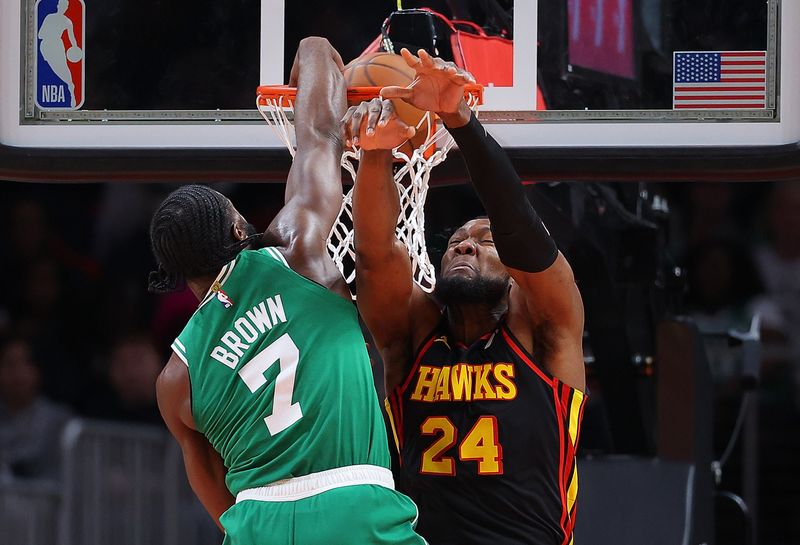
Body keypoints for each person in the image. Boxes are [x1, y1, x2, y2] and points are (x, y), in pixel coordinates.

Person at [149, 38, 424, 545]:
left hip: (257, 519)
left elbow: (217, 496)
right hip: (352, 499)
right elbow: (320, 134)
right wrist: (314, 52)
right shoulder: (295, 249)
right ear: (239, 232)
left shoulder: (175, 380)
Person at [345, 48, 587, 545]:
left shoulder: (544, 329)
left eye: (484, 240)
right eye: (455, 241)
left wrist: (458, 117)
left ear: (516, 274)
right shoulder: (414, 332)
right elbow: (374, 256)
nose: (466, 244)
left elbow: (517, 219)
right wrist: (374, 153)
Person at [38, 0, 80, 107]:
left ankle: (71, 88)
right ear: (58, 6)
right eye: (62, 5)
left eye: (65, 6)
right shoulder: (50, 17)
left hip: (56, 45)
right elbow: (39, 35)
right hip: (47, 46)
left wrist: (75, 48)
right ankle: (70, 86)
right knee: (52, 69)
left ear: (66, 8)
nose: (63, 8)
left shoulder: (67, 21)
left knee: (63, 68)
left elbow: (72, 38)